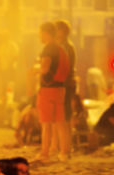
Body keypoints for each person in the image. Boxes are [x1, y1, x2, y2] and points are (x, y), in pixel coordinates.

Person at [34, 22, 70, 162]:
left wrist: (34, 71)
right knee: (61, 122)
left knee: (46, 123)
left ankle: (44, 153)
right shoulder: (61, 49)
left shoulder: (48, 49)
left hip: (48, 89)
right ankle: (64, 153)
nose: (39, 36)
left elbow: (45, 68)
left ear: (46, 33)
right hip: (60, 88)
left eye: (40, 33)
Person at [56, 20, 76, 156]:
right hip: (66, 83)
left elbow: (66, 67)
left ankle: (67, 148)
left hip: (65, 84)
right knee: (64, 115)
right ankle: (65, 147)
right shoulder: (64, 45)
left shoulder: (66, 47)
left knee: (65, 116)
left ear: (63, 31)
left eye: (57, 29)